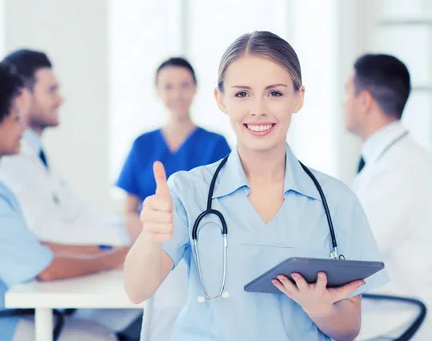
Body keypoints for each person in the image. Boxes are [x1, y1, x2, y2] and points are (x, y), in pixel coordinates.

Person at [123, 31, 389, 341]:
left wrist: (321, 309)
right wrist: (152, 237)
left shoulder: (336, 201)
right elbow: (136, 290)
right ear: (220, 99)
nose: (258, 109)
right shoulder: (188, 192)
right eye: (242, 94)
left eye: (275, 93)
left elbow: (350, 328)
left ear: (298, 97)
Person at [0, 59, 128, 341]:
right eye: (15, 119)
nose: (21, 129)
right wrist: (112, 259)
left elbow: (31, 248)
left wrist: (101, 250)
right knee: (101, 337)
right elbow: (47, 270)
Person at [0, 49, 141, 337]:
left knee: (145, 306)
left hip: (60, 286)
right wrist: (116, 249)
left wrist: (126, 232)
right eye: (51, 90)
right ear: (21, 96)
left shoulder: (37, 154)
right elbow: (46, 234)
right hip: (34, 300)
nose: (60, 98)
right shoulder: (11, 162)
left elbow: (74, 211)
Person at [344, 53, 432, 340]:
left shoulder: (401, 169)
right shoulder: (392, 160)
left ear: (365, 101)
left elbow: (354, 250)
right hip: (390, 318)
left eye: (348, 92)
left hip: (403, 321)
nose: (343, 102)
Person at [116, 57, 230, 239]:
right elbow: (129, 212)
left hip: (201, 242)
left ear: (195, 88)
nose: (177, 94)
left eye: (185, 85)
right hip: (151, 242)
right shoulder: (142, 145)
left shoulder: (215, 144)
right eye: (168, 87)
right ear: (157, 91)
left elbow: (229, 206)